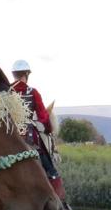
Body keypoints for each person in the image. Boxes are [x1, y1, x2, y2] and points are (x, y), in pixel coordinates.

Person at [9, 59, 67, 202]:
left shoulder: (5, 92)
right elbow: (44, 117)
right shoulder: (32, 92)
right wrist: (47, 128)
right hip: (28, 137)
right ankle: (59, 201)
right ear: (27, 74)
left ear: (14, 74)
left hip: (7, 136)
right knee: (50, 167)